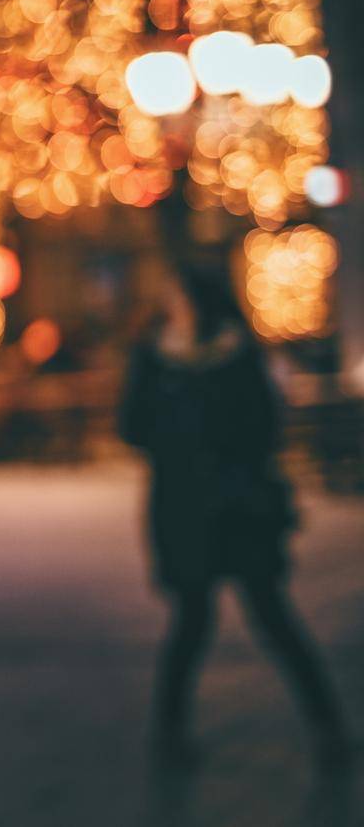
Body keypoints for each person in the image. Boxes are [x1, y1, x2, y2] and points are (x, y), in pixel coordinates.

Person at [118, 260, 349, 771]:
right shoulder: (154, 357)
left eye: (177, 296)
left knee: (270, 613)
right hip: (184, 511)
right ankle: (170, 733)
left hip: (240, 508)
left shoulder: (237, 353)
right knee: (193, 620)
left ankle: (327, 724)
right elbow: (132, 427)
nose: (171, 307)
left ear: (198, 300)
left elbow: (265, 428)